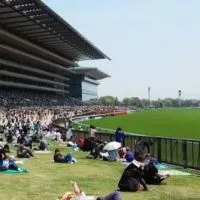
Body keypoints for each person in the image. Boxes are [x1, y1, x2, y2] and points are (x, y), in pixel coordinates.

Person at [57, 181, 121, 200]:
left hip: (100, 198)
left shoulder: (77, 197)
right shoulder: (76, 198)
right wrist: (74, 184)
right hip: (99, 199)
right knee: (116, 193)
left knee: (116, 193)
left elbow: (79, 192)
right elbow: (78, 192)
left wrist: (75, 185)